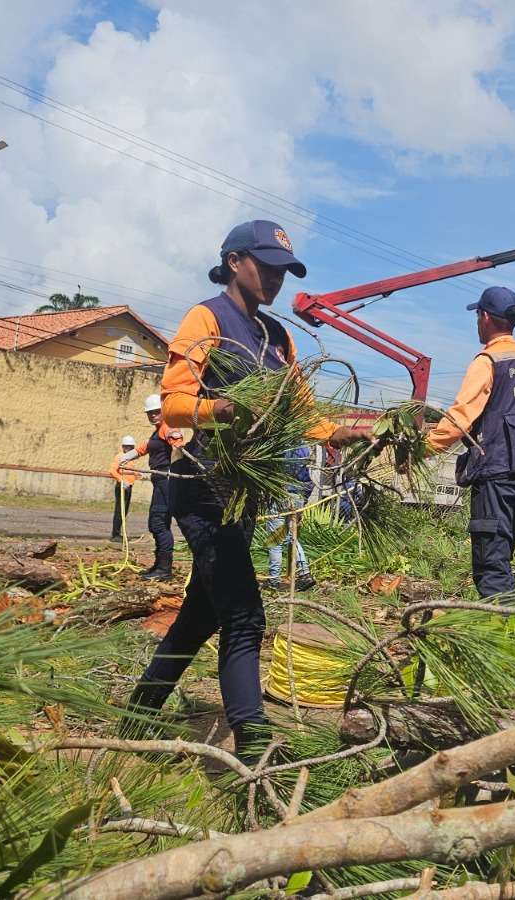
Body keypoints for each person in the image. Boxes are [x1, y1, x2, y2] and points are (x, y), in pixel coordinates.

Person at [123, 219, 369, 756]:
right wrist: (221, 409)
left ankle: (136, 716)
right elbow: (173, 403)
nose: (277, 279)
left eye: (284, 271)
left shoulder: (278, 338)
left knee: (201, 614)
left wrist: (338, 432)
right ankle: (255, 751)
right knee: (244, 616)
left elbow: (299, 411)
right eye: (267, 267)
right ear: (235, 262)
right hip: (201, 485)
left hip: (241, 493)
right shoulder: (206, 318)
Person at [427, 285, 515, 602]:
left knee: (491, 569)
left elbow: (460, 417)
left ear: (484, 317)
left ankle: (503, 643)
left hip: (496, 479)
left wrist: (423, 448)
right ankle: (508, 633)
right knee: (502, 560)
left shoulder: (488, 361)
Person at [118, 394, 185, 581]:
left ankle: (164, 569)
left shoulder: (168, 427)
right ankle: (159, 565)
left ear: (164, 412)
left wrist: (174, 469)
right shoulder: (158, 431)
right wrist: (127, 456)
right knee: (156, 523)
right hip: (159, 479)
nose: (153, 415)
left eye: (156, 412)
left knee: (159, 522)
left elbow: (179, 447)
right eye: (150, 413)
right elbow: (144, 447)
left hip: (167, 479)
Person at [264, 445, 315, 591]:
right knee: (291, 537)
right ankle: (305, 574)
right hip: (298, 496)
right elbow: (308, 480)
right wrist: (303, 499)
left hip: (280, 495)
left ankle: (274, 581)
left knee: (276, 540)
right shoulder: (303, 447)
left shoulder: (278, 445)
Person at [109, 435, 139, 543]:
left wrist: (138, 474)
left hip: (129, 486)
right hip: (121, 487)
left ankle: (119, 533)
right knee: (119, 511)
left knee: (124, 511)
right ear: (123, 447)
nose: (129, 449)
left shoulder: (130, 458)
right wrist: (121, 481)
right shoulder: (120, 457)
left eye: (131, 447)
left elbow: (130, 471)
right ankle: (115, 534)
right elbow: (113, 471)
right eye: (127, 447)